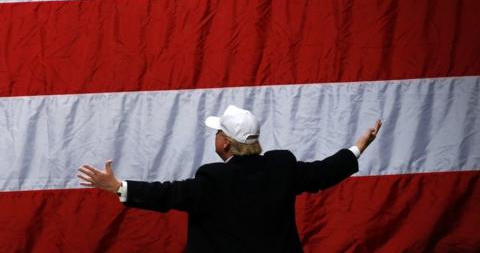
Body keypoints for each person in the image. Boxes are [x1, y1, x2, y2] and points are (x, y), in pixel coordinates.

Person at [78, 105, 382, 253]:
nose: (216, 137)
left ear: (225, 143)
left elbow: (168, 195)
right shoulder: (281, 166)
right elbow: (322, 173)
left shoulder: (213, 179)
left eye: (218, 132)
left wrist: (119, 187)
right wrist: (359, 147)